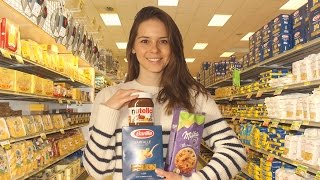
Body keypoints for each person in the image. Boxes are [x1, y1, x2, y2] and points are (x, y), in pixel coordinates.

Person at [82, 6, 247, 180]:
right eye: (145, 41)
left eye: (163, 41)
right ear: (132, 47)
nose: (154, 49)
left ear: (173, 47)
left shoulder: (195, 97)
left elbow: (234, 152)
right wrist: (108, 111)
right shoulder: (108, 97)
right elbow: (96, 170)